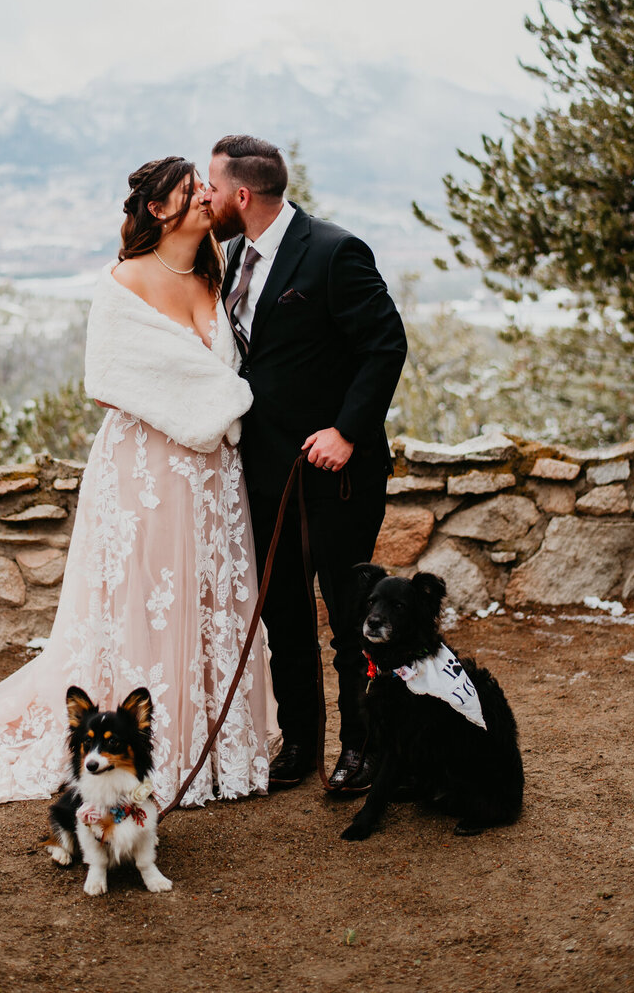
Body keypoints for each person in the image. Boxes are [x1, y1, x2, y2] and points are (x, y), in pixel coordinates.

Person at [0, 157, 276, 819]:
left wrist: (220, 402)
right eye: (190, 192)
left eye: (202, 190)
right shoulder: (122, 282)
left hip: (212, 480)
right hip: (145, 473)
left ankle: (213, 749)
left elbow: (221, 372)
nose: (202, 199)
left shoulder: (214, 277)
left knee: (205, 600)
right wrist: (223, 397)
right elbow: (106, 378)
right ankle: (148, 753)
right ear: (158, 209)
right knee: (147, 605)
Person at [203, 135, 407, 793]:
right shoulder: (235, 255)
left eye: (211, 187)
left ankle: (363, 747)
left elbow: (386, 344)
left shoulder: (333, 252)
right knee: (283, 617)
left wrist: (348, 430)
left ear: (242, 194)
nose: (206, 199)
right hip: (265, 477)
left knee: (351, 623)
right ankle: (300, 744)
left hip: (336, 479)